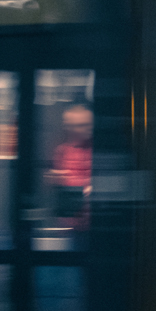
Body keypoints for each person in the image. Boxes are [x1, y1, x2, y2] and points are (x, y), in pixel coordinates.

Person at [46, 103, 93, 241]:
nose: (79, 130)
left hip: (92, 220)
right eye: (73, 125)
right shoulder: (62, 151)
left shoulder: (97, 151)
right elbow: (58, 184)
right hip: (69, 222)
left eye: (84, 125)